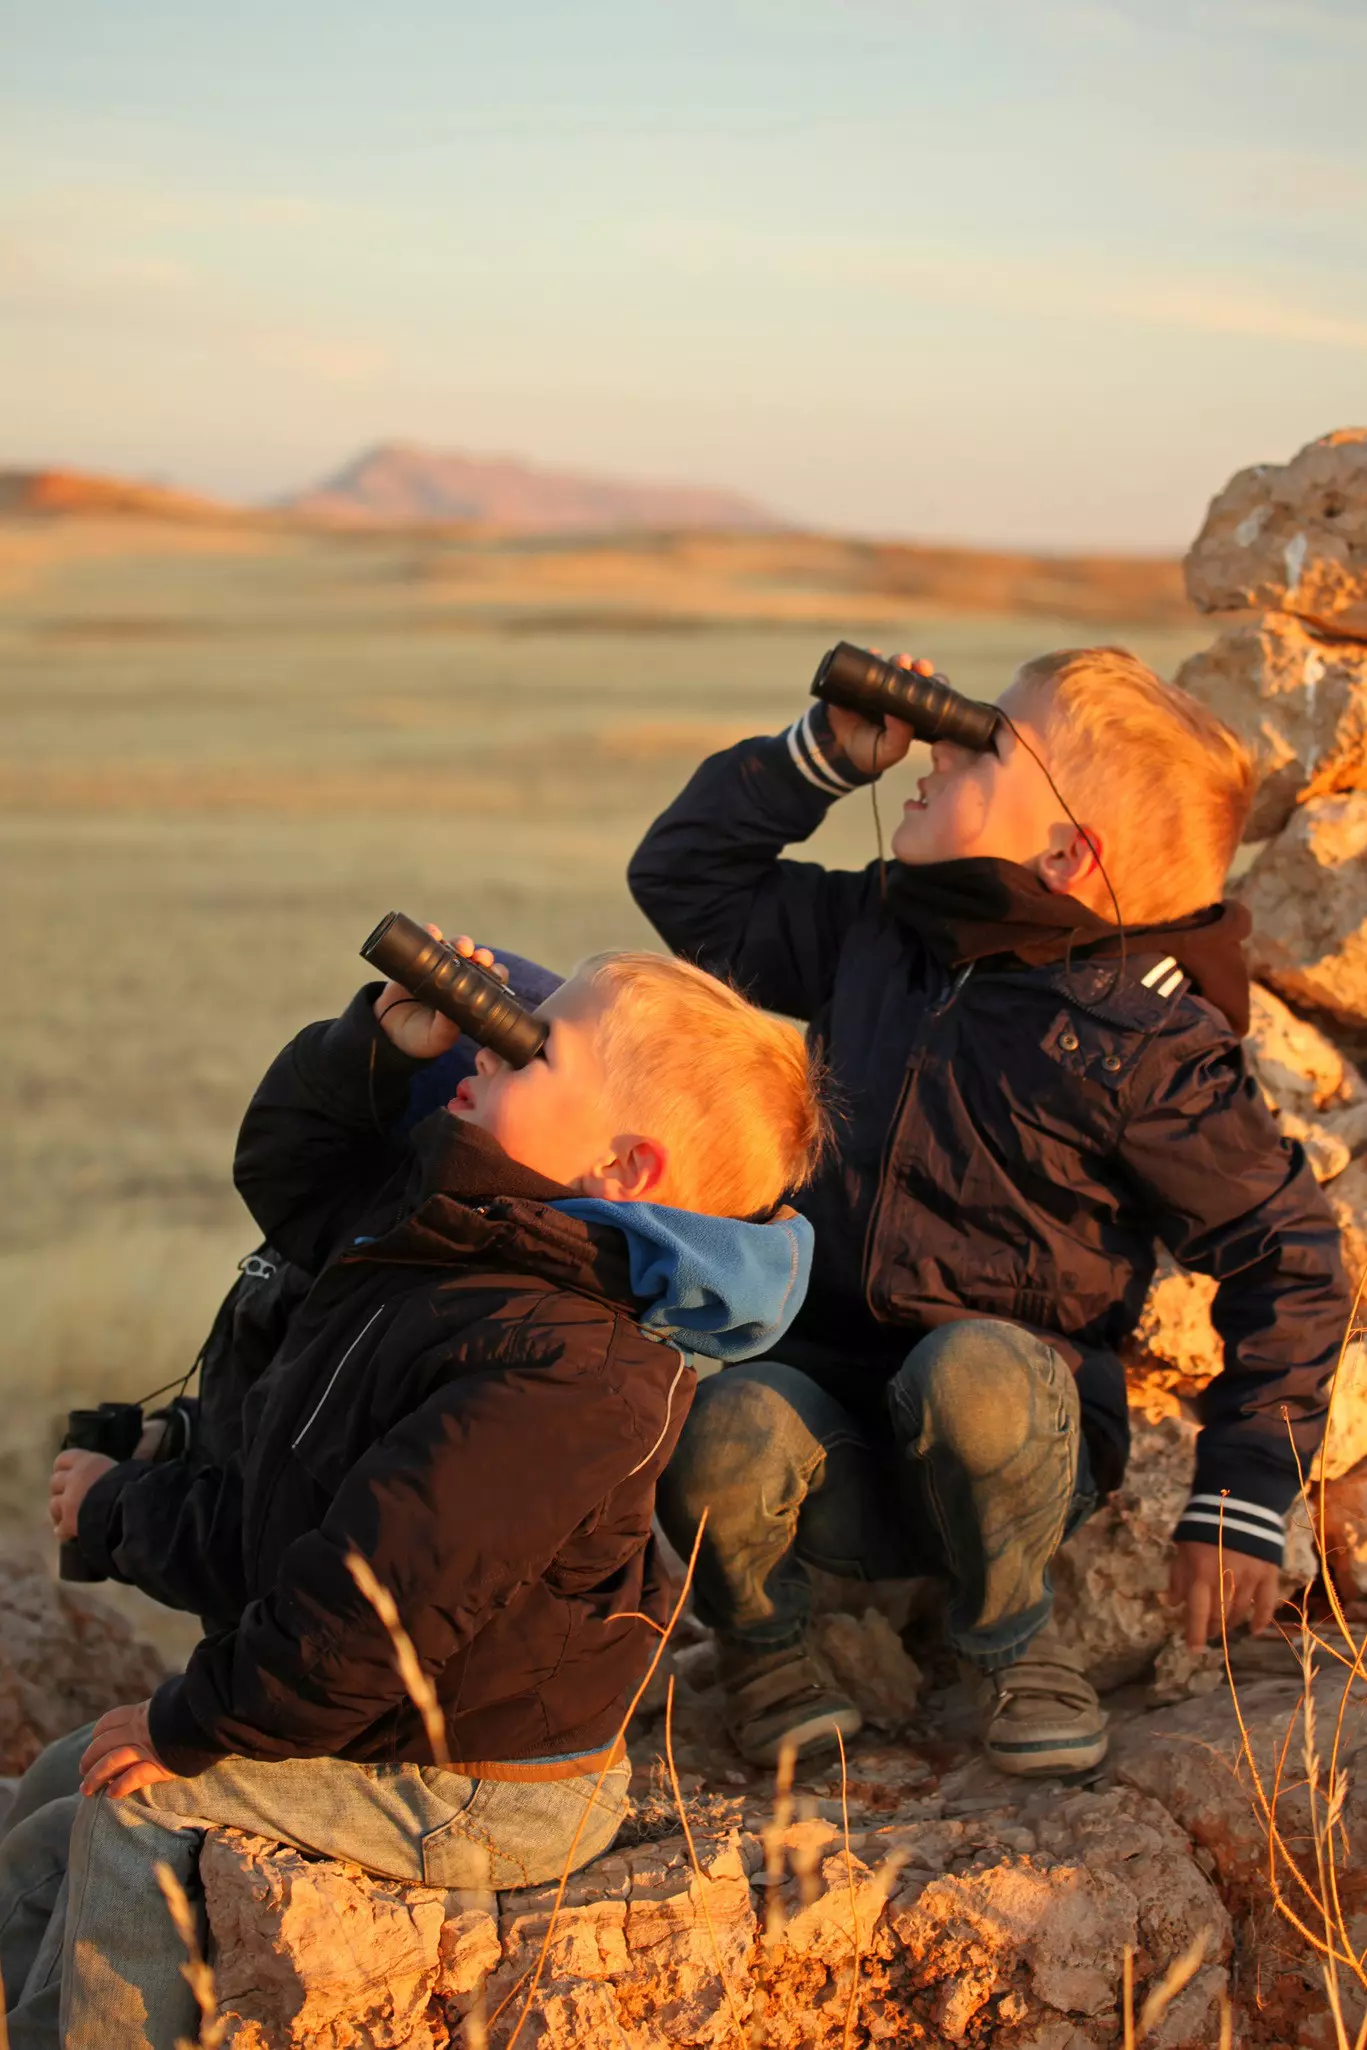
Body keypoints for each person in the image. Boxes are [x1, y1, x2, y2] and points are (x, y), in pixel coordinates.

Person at [0, 940, 825, 2050]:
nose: (490, 1041)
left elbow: (365, 1611)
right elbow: (296, 1178)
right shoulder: (467, 1234)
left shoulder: (575, 1374)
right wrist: (377, 1054)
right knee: (63, 1771)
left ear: (624, 1168)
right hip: (379, 1716)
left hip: (482, 1781)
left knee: (134, 1800)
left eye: (538, 1049)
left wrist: (191, 1723)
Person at [628, 643, 1351, 1776]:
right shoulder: (877, 935)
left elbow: (1289, 1253)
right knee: (721, 1422)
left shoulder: (1139, 1043)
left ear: (1066, 851)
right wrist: (815, 759)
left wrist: (1242, 1492)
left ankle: (1013, 1640)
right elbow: (684, 882)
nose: (939, 744)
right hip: (835, 1443)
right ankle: (767, 1643)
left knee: (970, 1366)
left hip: (1018, 1449)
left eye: (982, 743)